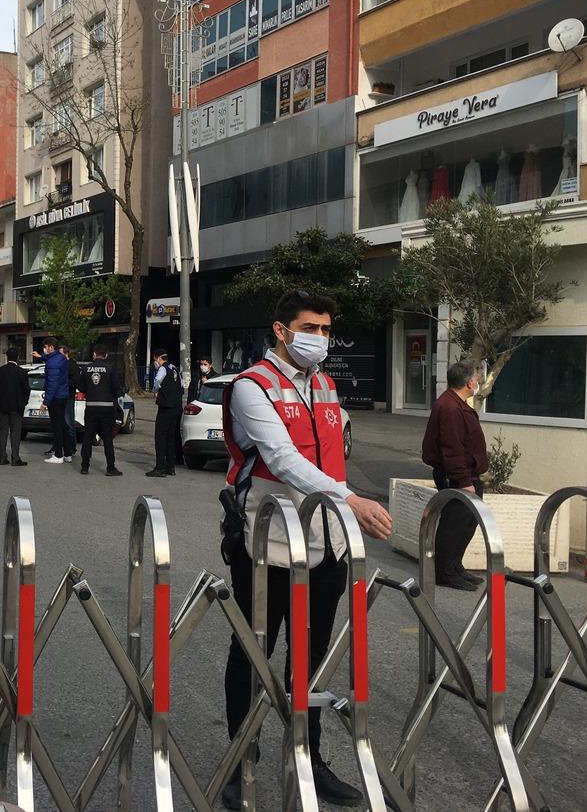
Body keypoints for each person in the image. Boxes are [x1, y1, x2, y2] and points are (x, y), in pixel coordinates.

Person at [219, 290, 393, 810]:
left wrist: (344, 512)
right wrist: (352, 499)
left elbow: (335, 454)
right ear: (281, 330)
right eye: (310, 328)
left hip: (327, 543)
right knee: (253, 654)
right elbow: (284, 458)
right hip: (270, 543)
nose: (319, 338)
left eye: (325, 329)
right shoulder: (253, 388)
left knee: (312, 662)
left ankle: (308, 760)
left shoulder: (326, 385)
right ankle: (239, 763)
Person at [422, 359, 488, 591]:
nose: (478, 383)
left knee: (467, 522)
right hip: (459, 476)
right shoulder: (450, 407)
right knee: (454, 523)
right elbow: (453, 447)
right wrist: (464, 481)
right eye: (477, 380)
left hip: (466, 474)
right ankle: (445, 572)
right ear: (469, 383)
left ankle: (454, 566)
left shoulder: (454, 403)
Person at [78, 345, 124, 476]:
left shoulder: (86, 369)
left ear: (94, 354)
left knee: (87, 437)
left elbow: (81, 387)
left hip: (91, 407)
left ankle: (84, 467)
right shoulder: (110, 369)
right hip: (107, 408)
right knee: (108, 439)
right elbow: (117, 388)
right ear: (106, 355)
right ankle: (110, 468)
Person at [146, 349, 182, 478]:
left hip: (166, 407)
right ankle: (170, 466)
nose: (155, 362)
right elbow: (182, 386)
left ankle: (160, 467)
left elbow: (157, 381)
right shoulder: (174, 368)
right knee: (171, 437)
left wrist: (155, 390)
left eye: (155, 360)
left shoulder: (163, 369)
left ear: (158, 358)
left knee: (160, 437)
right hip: (176, 407)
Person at [0, 347, 30, 466]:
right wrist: (23, 402)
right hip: (16, 406)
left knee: (3, 432)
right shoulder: (21, 372)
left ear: (7, 357)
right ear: (18, 357)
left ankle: (2, 457)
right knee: (15, 432)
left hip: (2, 406)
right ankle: (15, 458)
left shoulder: (0, 371)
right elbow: (26, 390)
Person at [39, 338, 73, 463]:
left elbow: (52, 384)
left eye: (46, 347)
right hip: (63, 395)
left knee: (57, 427)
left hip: (56, 397)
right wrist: (41, 356)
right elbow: (48, 358)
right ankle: (67, 453)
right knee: (63, 425)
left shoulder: (53, 363)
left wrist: (45, 402)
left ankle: (58, 455)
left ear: (51, 347)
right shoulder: (61, 358)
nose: (45, 349)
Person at [60, 346, 80, 456]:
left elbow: (75, 381)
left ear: (66, 354)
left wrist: (63, 383)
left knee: (69, 423)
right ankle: (58, 446)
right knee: (60, 423)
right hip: (59, 397)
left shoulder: (72, 365)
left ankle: (71, 447)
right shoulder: (60, 365)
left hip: (68, 397)